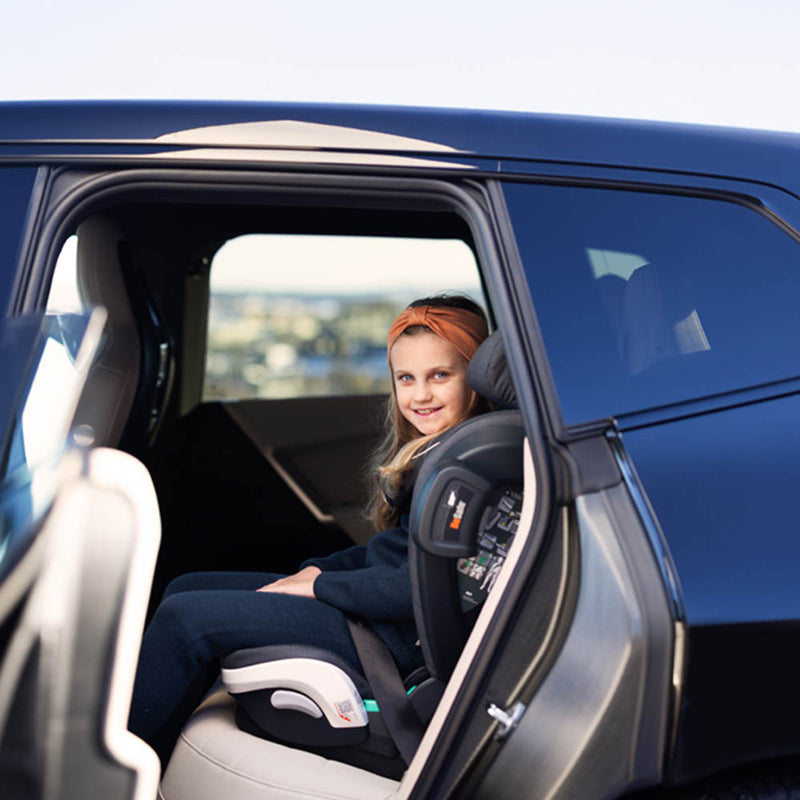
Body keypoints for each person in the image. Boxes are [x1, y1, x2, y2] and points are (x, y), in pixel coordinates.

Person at [128, 294, 490, 765]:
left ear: (476, 377)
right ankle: (155, 746)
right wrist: (319, 570)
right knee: (187, 586)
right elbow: (394, 552)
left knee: (186, 619)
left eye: (440, 375)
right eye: (406, 378)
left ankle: (105, 765)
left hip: (394, 641)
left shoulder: (470, 468)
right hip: (379, 619)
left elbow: (418, 588)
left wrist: (321, 588)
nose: (420, 395)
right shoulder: (447, 451)